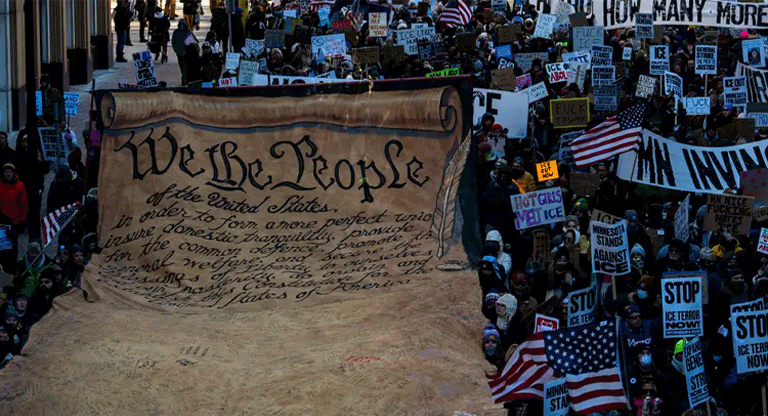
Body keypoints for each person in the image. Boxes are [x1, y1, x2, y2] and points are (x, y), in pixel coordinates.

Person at [0, 163, 28, 271]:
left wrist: (22, 220)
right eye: (6, 172)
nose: (7, 174)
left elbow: (24, 204)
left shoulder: (20, 186)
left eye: (9, 172)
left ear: (13, 173)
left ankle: (11, 269)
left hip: (14, 223)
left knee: (12, 248)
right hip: (2, 222)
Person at [172, 20, 193, 85]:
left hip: (187, 53)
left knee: (186, 66)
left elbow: (191, 42)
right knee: (182, 66)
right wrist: (176, 50)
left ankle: (185, 79)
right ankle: (185, 78)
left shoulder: (188, 32)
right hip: (179, 53)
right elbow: (173, 42)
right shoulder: (176, 32)